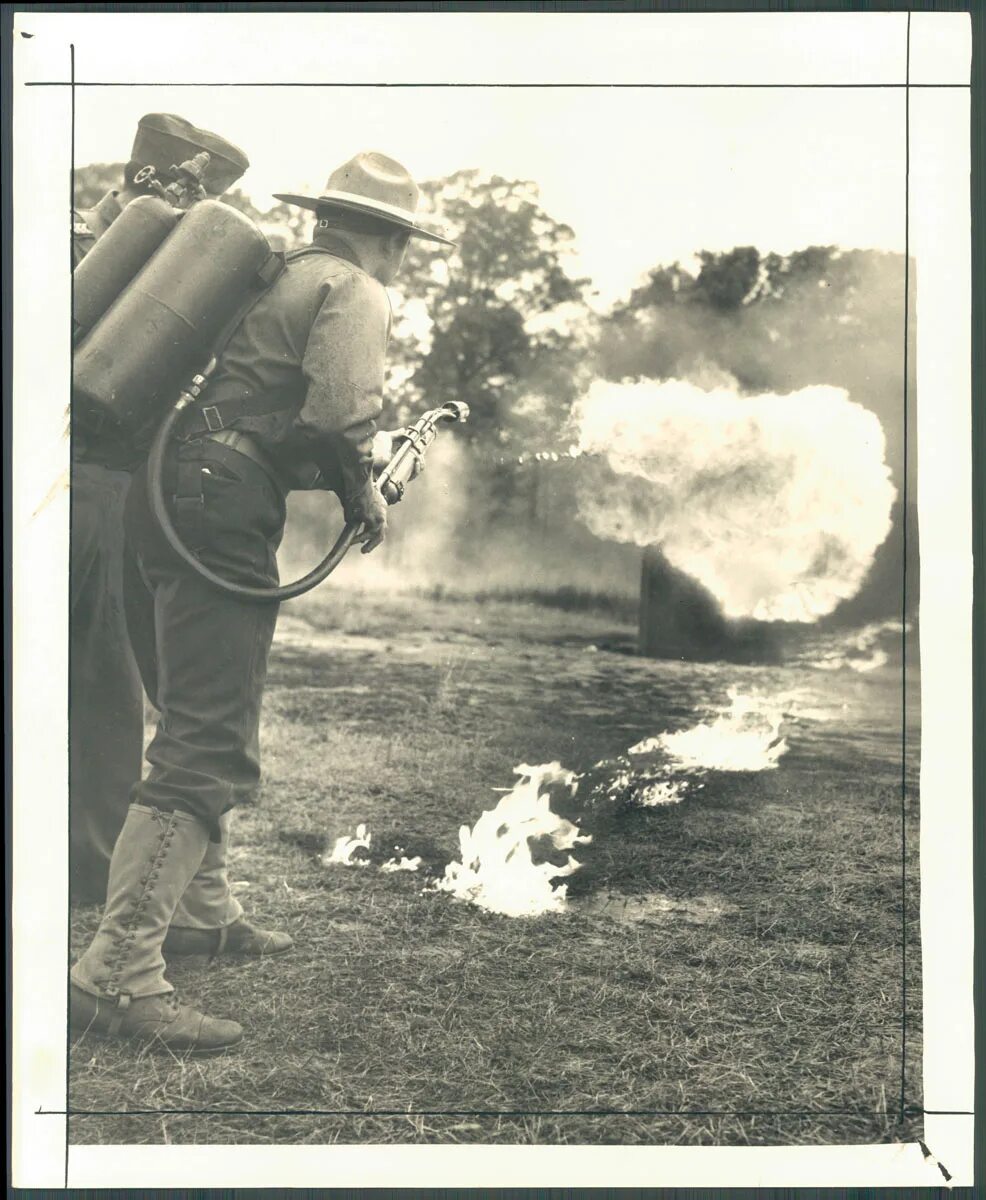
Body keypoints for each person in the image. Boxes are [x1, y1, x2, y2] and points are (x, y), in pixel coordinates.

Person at [69, 151, 454, 1054]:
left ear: (324, 214)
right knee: (208, 736)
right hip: (219, 505)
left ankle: (203, 918)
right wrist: (363, 489)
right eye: (400, 242)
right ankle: (117, 975)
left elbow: (264, 407)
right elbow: (332, 419)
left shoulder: (265, 272)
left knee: (191, 711)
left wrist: (347, 464)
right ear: (389, 237)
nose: (397, 260)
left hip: (156, 494)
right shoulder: (356, 290)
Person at [70, 114, 250, 905]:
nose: (188, 205)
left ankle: (89, 857)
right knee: (100, 678)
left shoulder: (160, 270)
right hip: (73, 484)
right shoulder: (84, 254)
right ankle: (90, 860)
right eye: (180, 189)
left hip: (116, 491)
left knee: (109, 678)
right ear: (149, 182)